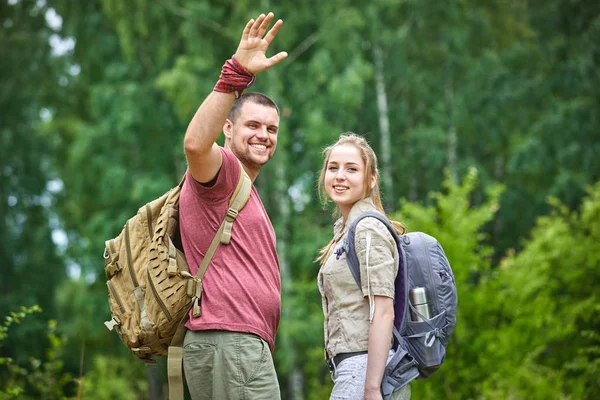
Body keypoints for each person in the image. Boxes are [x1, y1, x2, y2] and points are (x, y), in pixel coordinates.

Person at [179, 12, 288, 400]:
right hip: (234, 343)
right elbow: (194, 144)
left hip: (229, 344)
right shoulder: (222, 172)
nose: (263, 136)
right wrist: (236, 73)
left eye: (271, 129)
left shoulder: (241, 188)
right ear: (228, 128)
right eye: (252, 126)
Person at [316, 133, 412, 400]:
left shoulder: (368, 229)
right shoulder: (346, 232)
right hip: (354, 368)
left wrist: (371, 388)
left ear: (371, 179)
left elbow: (383, 311)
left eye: (352, 169)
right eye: (333, 168)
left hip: (366, 369)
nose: (339, 176)